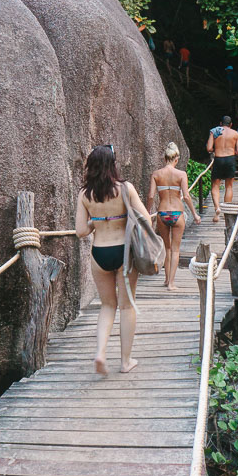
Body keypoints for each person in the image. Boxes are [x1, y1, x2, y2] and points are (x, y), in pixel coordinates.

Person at [75, 145, 151, 376]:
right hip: (124, 252)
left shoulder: (84, 194)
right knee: (127, 306)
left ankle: (100, 352)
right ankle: (125, 362)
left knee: (107, 305)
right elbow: (146, 218)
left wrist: (95, 221)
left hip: (100, 253)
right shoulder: (125, 189)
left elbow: (80, 231)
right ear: (113, 164)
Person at [147, 143, 201, 290]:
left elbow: (151, 195)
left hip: (162, 213)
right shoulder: (181, 174)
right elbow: (187, 196)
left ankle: (166, 279)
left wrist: (147, 212)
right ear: (176, 159)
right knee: (176, 249)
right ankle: (171, 283)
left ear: (165, 158)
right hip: (177, 213)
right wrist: (195, 214)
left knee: (167, 247)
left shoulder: (156, 174)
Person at [206, 116, 238, 223]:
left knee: (215, 186)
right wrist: (232, 151)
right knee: (229, 186)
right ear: (231, 124)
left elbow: (209, 148)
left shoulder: (214, 131)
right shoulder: (235, 134)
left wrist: (216, 149)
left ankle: (217, 208)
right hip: (230, 159)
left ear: (221, 123)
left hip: (218, 159)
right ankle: (226, 210)